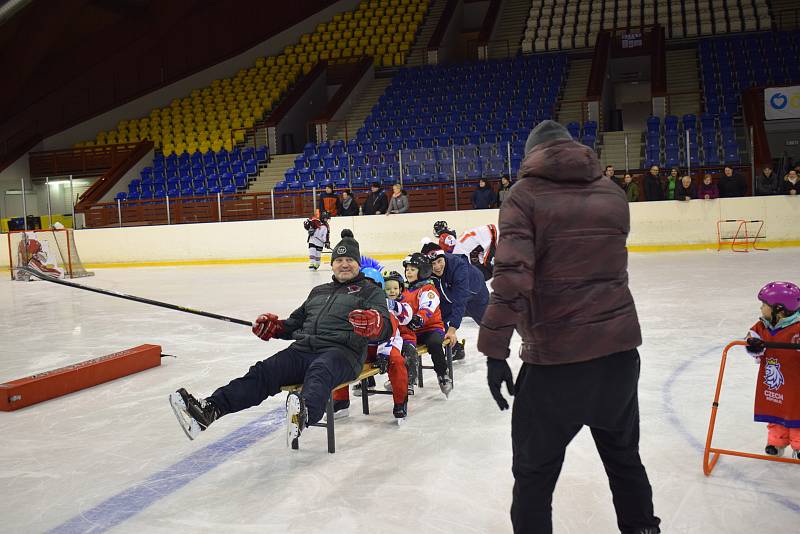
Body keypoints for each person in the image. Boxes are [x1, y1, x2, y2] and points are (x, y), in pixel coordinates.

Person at [477, 120, 660, 534]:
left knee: (534, 476)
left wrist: (494, 350)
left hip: (556, 363)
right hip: (617, 357)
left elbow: (512, 278)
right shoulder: (612, 193)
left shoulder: (524, 195)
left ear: (532, 156)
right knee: (624, 459)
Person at [169, 236, 393, 444]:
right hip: (303, 350)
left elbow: (386, 327)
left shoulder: (370, 292)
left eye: (350, 260)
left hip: (342, 353)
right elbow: (294, 323)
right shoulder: (319, 291)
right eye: (339, 260)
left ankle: (304, 415)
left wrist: (376, 324)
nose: (344, 264)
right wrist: (275, 327)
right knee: (265, 371)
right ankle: (210, 410)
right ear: (332, 264)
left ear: (358, 264)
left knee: (321, 370)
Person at [331, 265, 411, 422]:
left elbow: (391, 332)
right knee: (339, 359)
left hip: (388, 346)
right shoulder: (350, 305)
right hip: (363, 348)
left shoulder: (386, 306)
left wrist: (383, 354)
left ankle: (400, 402)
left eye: (370, 285)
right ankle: (340, 401)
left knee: (397, 361)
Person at [744, 282, 800, 459]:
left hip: (795, 382)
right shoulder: (762, 326)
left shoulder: (797, 328)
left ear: (779, 309)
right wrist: (753, 346)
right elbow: (751, 340)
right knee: (775, 410)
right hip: (773, 381)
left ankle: (798, 445)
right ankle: (776, 441)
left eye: (764, 305)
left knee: (796, 411)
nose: (761, 308)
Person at [422, 244, 489, 362]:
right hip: (450, 295)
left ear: (444, 257)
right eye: (433, 264)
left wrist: (452, 330)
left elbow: (460, 299)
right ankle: (456, 349)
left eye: (439, 261)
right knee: (437, 318)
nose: (437, 267)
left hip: (475, 293)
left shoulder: (459, 266)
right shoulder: (426, 269)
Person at [398, 254, 451, 396]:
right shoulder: (404, 290)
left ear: (423, 271)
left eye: (412, 270)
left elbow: (428, 306)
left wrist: (420, 318)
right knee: (399, 345)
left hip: (431, 328)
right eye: (407, 269)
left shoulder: (428, 289)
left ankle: (442, 374)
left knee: (434, 344)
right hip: (412, 331)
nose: (408, 272)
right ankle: (404, 378)